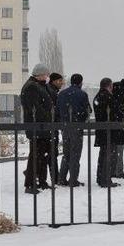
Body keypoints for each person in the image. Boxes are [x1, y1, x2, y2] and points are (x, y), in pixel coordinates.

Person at [21, 64, 54, 194]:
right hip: (37, 127)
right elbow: (35, 108)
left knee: (42, 156)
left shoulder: (38, 85)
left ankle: (42, 181)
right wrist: (47, 117)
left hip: (42, 127)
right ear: (40, 74)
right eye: (46, 74)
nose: (47, 77)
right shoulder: (31, 87)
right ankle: (30, 184)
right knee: (35, 156)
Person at [56, 74, 91, 187]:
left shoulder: (61, 94)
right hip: (77, 126)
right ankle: (73, 179)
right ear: (80, 82)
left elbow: (57, 111)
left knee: (66, 153)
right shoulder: (82, 94)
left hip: (65, 126)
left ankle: (62, 178)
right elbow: (87, 110)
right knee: (75, 153)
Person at [93, 78, 120, 188]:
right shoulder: (109, 97)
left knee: (103, 155)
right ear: (109, 86)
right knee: (108, 155)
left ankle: (100, 178)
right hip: (109, 130)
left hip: (101, 129)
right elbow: (114, 113)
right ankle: (105, 179)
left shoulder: (97, 96)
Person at [46, 72, 65, 185]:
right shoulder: (52, 92)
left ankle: (33, 172)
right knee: (52, 153)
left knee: (50, 153)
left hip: (51, 125)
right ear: (53, 81)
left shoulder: (52, 91)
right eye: (59, 81)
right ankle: (55, 177)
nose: (61, 83)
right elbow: (54, 110)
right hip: (51, 126)